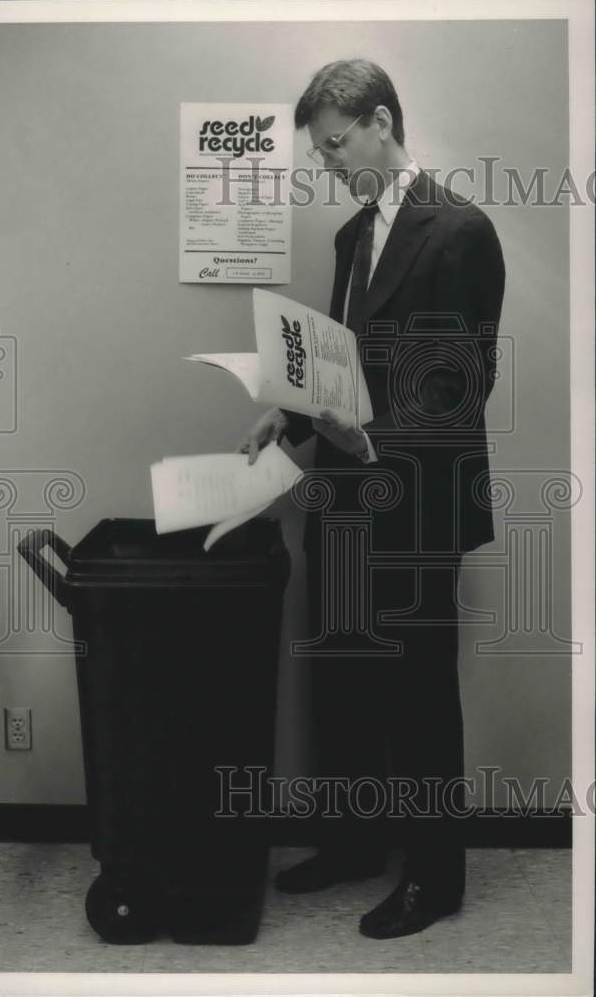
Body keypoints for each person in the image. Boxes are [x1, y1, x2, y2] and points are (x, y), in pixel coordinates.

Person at [237, 59, 505, 938]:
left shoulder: (459, 231)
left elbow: (463, 385)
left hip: (417, 507)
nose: (326, 163)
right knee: (345, 677)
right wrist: (290, 415)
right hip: (345, 501)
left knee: (418, 692)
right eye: (319, 151)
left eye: (333, 145)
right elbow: (337, 364)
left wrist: (377, 437)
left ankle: (435, 878)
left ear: (381, 123)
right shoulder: (352, 237)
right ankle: (353, 843)